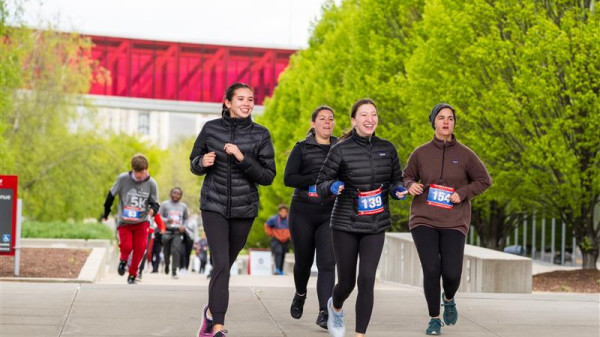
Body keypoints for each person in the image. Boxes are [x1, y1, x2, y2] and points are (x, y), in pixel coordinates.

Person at [189, 82, 276, 337]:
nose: (246, 103)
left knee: (224, 264)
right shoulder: (210, 129)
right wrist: (201, 162)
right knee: (222, 265)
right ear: (227, 102)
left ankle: (209, 313)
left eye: (250, 99)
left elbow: (268, 176)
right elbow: (193, 163)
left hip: (244, 209)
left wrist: (242, 157)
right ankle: (218, 325)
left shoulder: (261, 134)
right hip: (213, 205)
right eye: (240, 98)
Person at [317, 98, 407, 337]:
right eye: (364, 115)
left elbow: (397, 179)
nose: (370, 119)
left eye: (374, 114)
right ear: (353, 120)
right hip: (345, 223)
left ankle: (360, 334)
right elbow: (321, 183)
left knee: (367, 279)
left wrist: (397, 190)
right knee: (347, 283)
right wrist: (333, 185)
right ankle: (335, 307)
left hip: (375, 223)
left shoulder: (387, 148)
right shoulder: (340, 149)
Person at [404, 103, 491, 335]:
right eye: (441, 118)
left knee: (451, 273)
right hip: (424, 218)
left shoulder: (465, 154)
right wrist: (411, 185)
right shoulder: (420, 153)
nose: (446, 122)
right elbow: (406, 176)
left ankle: (449, 298)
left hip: (454, 221)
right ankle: (434, 318)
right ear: (433, 122)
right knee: (432, 269)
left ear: (454, 123)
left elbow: (484, 180)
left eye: (450, 118)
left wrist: (462, 193)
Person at [283, 105, 337, 329]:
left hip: (329, 213)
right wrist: (314, 178)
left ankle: (325, 311)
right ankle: (300, 293)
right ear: (313, 123)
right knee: (303, 263)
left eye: (331, 119)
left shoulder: (340, 148)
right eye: (322, 119)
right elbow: (289, 178)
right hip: (303, 211)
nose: (327, 122)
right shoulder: (302, 148)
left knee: (327, 264)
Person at [102, 153, 160, 284]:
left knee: (140, 249)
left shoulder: (151, 183)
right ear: (132, 170)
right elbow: (110, 196)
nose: (140, 175)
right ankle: (123, 260)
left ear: (147, 169)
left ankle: (132, 275)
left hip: (142, 221)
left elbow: (155, 203)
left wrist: (152, 211)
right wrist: (106, 213)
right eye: (137, 172)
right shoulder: (123, 179)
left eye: (143, 172)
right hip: (125, 221)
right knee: (127, 247)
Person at [160, 187, 189, 279]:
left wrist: (183, 227)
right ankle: (167, 264)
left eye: (178, 194)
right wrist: (166, 220)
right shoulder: (165, 204)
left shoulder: (183, 206)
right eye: (174, 193)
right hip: (167, 231)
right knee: (166, 251)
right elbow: (159, 216)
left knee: (176, 250)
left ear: (180, 196)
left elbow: (186, 219)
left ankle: (174, 271)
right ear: (170, 194)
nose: (176, 195)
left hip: (177, 232)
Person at [264, 204, 291, 275]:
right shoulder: (274, 219)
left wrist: (290, 235)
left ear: (287, 212)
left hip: (286, 240)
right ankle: (277, 269)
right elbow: (266, 225)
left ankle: (281, 270)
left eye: (285, 212)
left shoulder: (290, 219)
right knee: (278, 252)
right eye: (282, 211)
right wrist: (271, 233)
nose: (283, 213)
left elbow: (294, 227)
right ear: (279, 212)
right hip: (276, 240)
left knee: (283, 254)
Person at [138, 213, 165, 279]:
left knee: (145, 251)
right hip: (136, 229)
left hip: (148, 231)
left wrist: (162, 228)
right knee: (136, 249)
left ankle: (140, 270)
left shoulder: (152, 205)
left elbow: (158, 217)